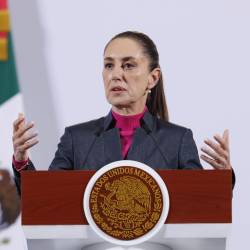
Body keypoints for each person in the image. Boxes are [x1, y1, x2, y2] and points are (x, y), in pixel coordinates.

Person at [11, 31, 234, 194]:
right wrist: (21, 161)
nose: (116, 75)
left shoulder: (177, 140)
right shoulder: (76, 139)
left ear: (153, 78)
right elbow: (44, 198)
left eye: (128, 65)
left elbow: (201, 204)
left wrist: (222, 178)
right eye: (109, 65)